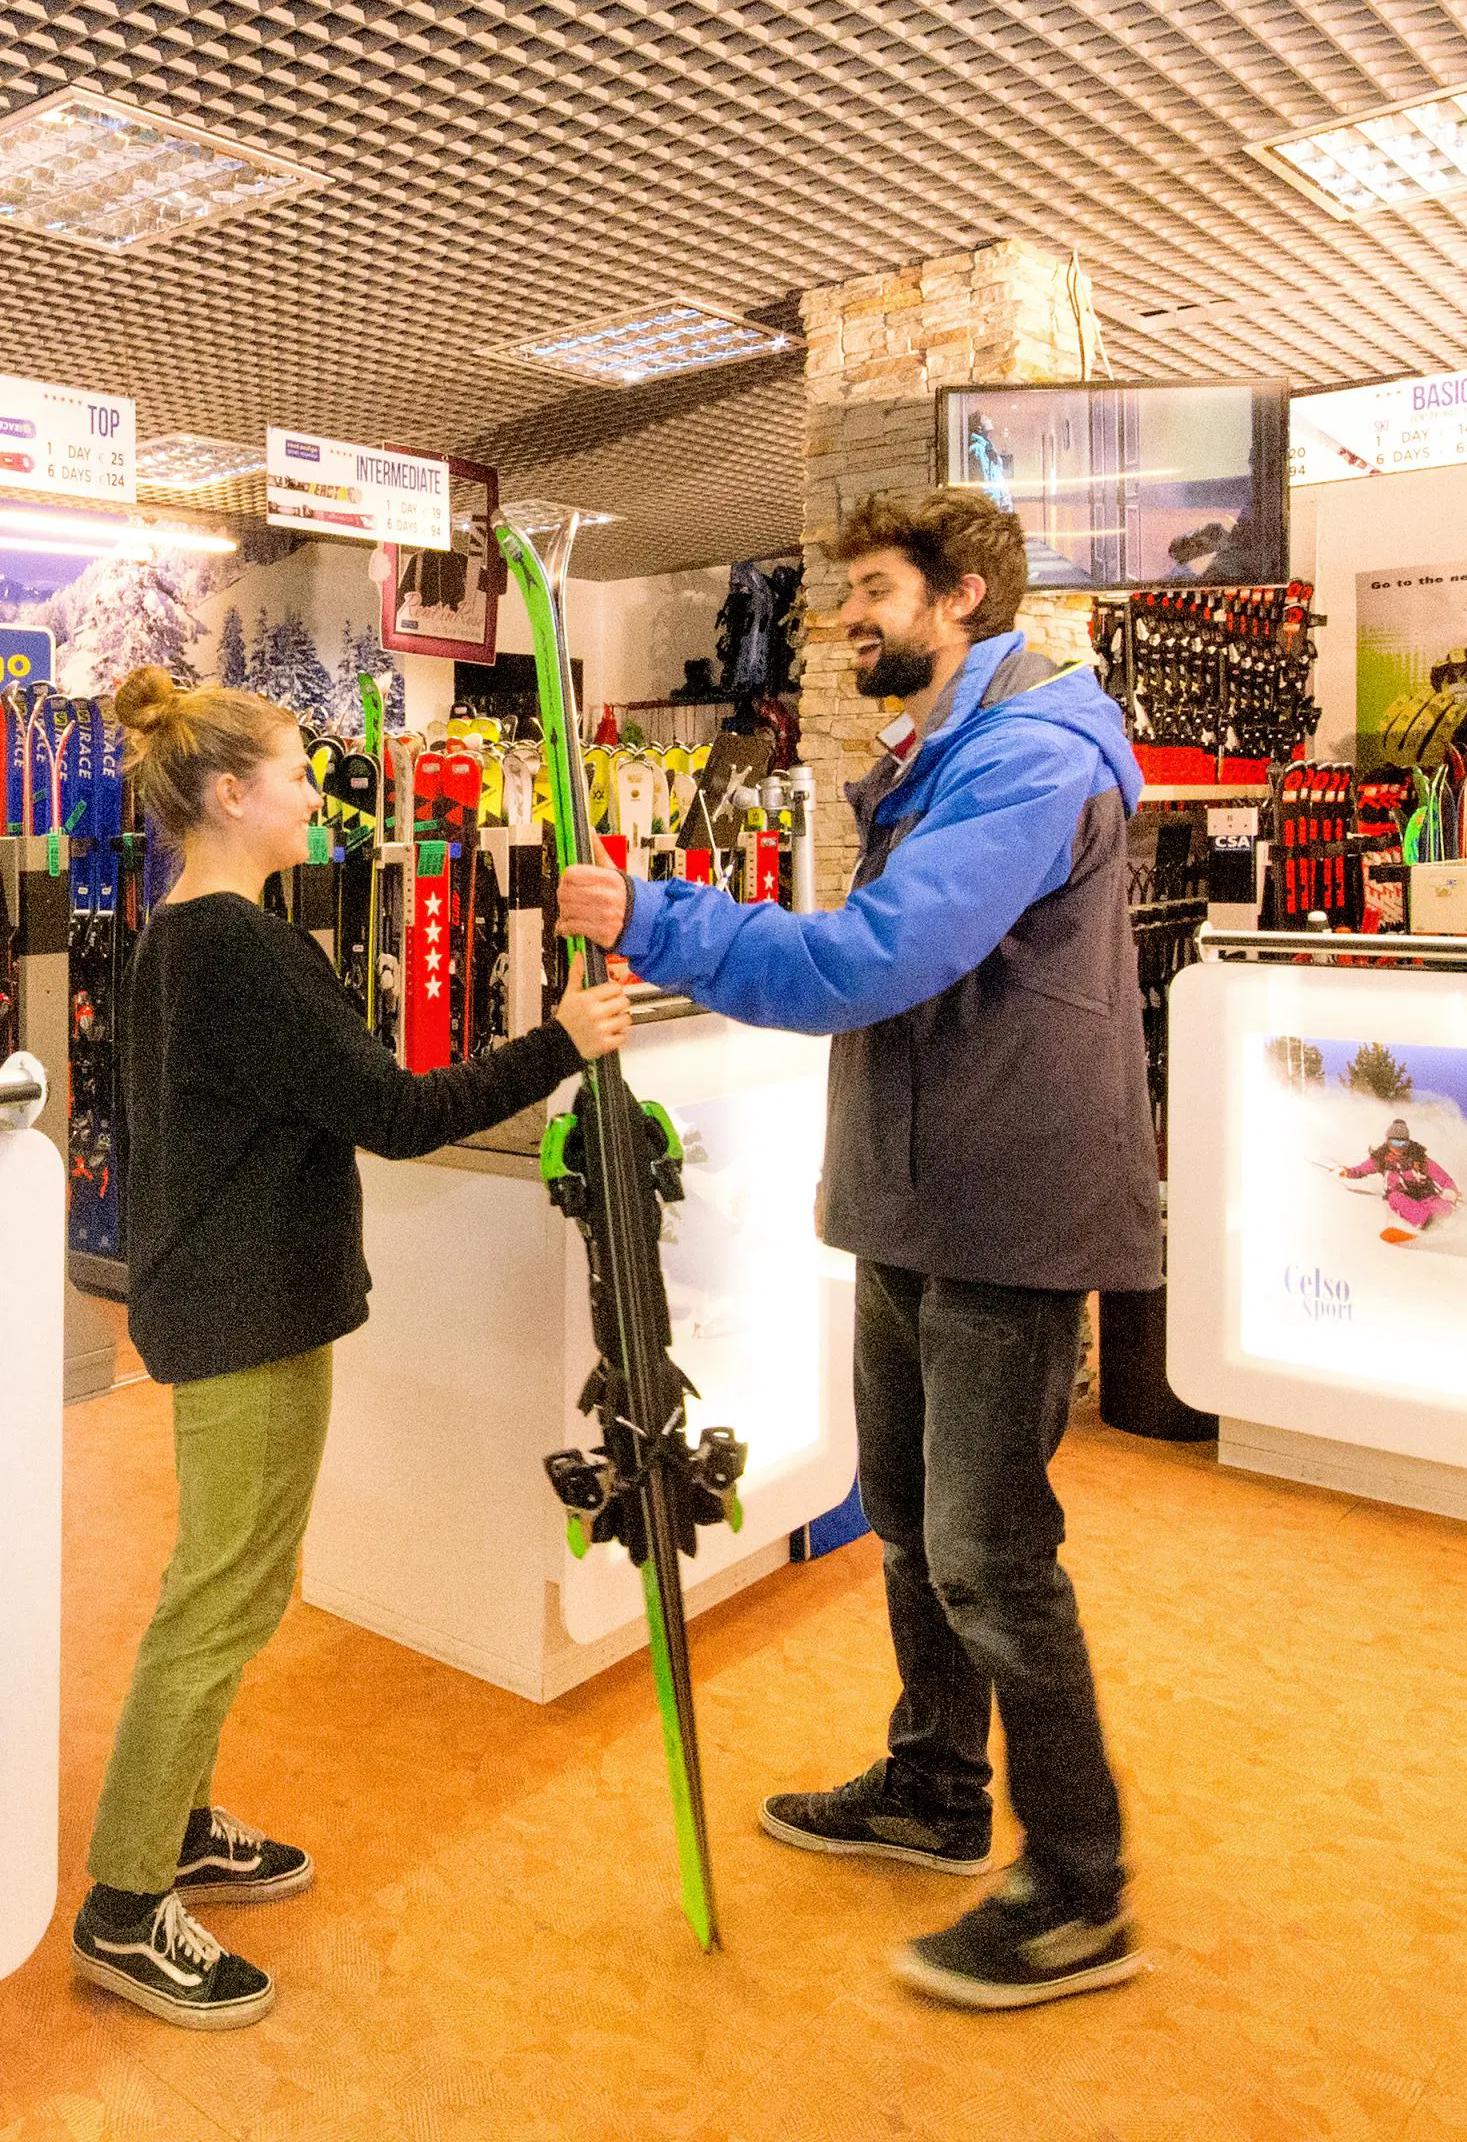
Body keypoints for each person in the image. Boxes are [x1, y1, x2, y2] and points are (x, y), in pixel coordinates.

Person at [554, 487, 1156, 2012]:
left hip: (1006, 1206)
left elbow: (879, 961)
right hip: (915, 1192)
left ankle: (1080, 1890)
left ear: (962, 598)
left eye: (876, 590)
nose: (849, 622)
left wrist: (662, 917)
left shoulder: (1029, 760)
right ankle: (936, 1787)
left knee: (991, 1555)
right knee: (904, 1511)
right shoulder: (945, 748)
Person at [72, 665, 637, 2032]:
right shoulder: (246, 950)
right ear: (228, 794)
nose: (311, 796)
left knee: (238, 1584)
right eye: (291, 773)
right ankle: (125, 1903)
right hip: (245, 1311)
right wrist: (555, 1044)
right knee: (219, 1598)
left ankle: (178, 1821)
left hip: (224, 1296)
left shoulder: (181, 938)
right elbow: (393, 1111)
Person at [1345, 1119, 1457, 1230]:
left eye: (1403, 1143)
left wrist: (1450, 1191)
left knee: (1445, 1213)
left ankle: (1451, 1228)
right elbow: (1360, 1170)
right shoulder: (1381, 1159)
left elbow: (1445, 1179)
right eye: (1395, 1143)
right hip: (1402, 1200)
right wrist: (1346, 1172)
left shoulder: (1419, 1159)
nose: (1399, 1147)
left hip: (1426, 1197)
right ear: (1388, 1141)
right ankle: (1426, 1225)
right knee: (1394, 1197)